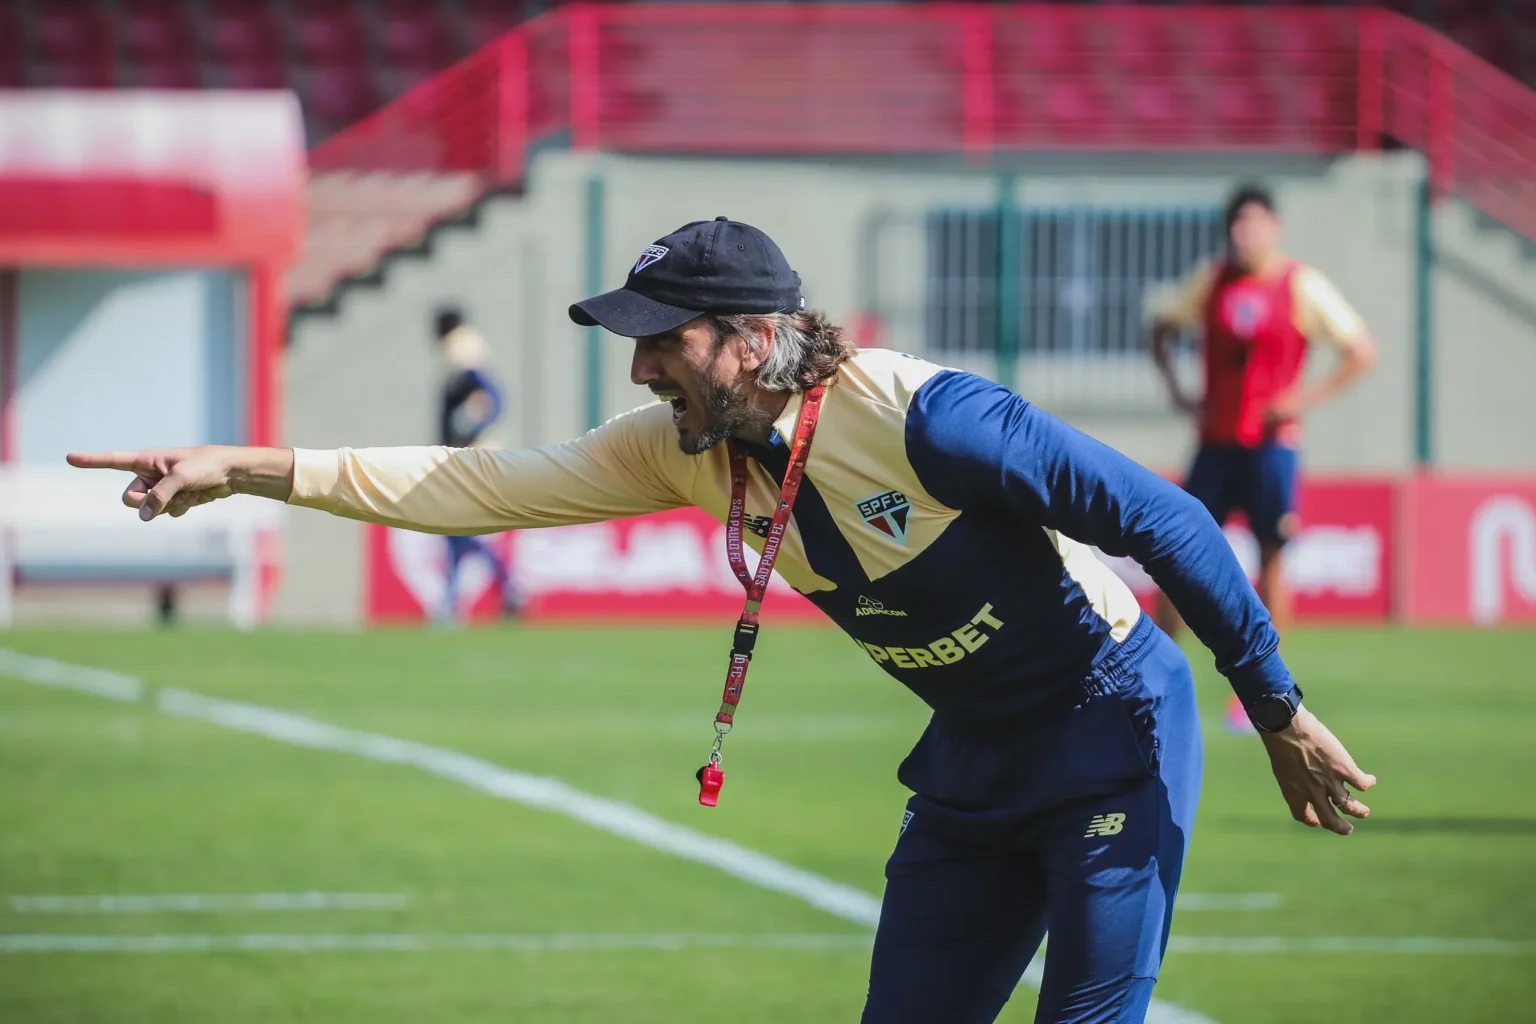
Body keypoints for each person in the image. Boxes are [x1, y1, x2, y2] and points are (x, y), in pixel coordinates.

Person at [69, 217, 1376, 1024]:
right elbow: (477, 484)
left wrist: (1276, 709)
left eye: (663, 342)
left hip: (1112, 730)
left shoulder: (926, 417)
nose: (638, 366)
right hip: (976, 773)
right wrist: (245, 464)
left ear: (752, 341)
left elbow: (1169, 522)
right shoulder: (681, 444)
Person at [1148, 184, 1378, 732]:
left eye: (1253, 224)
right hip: (1216, 443)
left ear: (1273, 228)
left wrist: (1304, 398)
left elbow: (1360, 351)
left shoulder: (1302, 285)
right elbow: (1160, 330)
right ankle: (1147, 679)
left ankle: (1266, 692)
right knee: (1174, 557)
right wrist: (1181, 395)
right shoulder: (1210, 281)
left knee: (1272, 556)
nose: (1243, 235)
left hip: (1272, 446)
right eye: (1236, 224)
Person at [433, 306, 520, 623]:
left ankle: (503, 590)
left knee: (459, 529)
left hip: (471, 455)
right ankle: (456, 601)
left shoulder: (459, 346)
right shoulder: (468, 345)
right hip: (471, 453)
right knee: (457, 528)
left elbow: (492, 395)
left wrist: (469, 432)